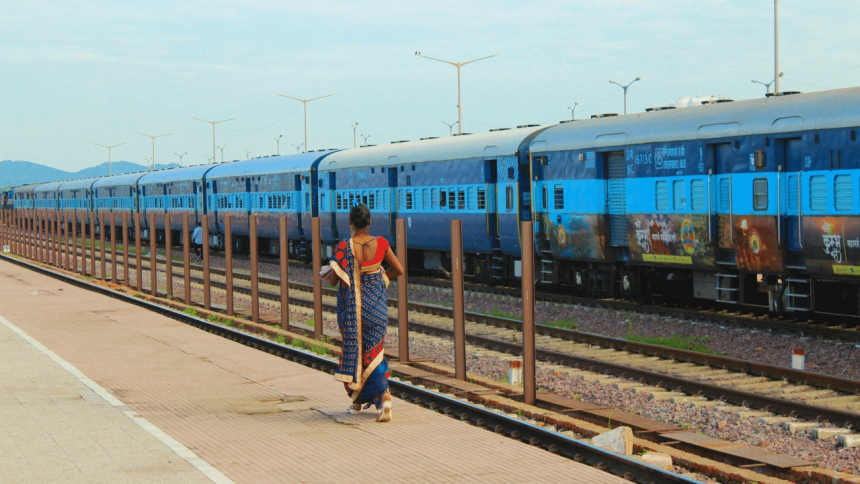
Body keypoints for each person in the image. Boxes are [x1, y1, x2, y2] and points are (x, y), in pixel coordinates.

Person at [323, 203, 403, 422]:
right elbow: (399, 269)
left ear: (350, 222)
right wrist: (380, 277)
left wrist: (331, 270)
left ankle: (383, 396)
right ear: (369, 222)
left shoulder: (343, 248)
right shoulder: (381, 244)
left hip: (354, 314)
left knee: (355, 356)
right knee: (374, 355)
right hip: (377, 310)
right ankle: (360, 402)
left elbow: (333, 282)